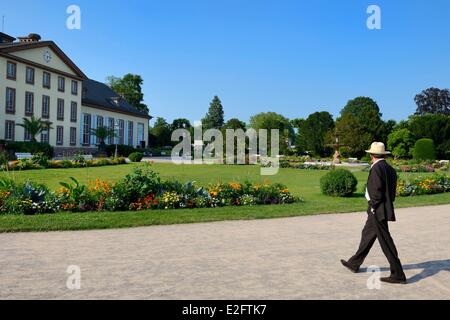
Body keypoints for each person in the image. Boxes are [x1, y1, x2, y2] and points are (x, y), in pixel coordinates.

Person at [341, 142, 407, 284]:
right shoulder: (389, 168)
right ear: (383, 154)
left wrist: (373, 206)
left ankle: (398, 274)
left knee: (386, 242)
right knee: (367, 234)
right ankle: (354, 263)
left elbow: (376, 191)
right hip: (381, 208)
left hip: (377, 209)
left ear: (371, 155)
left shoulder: (377, 168)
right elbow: (390, 191)